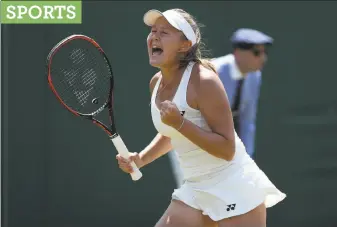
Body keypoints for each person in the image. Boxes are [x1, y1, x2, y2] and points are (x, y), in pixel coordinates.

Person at [116, 8, 286, 227]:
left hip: (234, 187)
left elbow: (227, 149)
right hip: (195, 190)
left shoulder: (204, 81)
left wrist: (180, 123)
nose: (154, 37)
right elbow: (171, 134)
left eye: (165, 32)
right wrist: (141, 159)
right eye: (153, 31)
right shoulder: (155, 83)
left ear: (185, 45)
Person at [211, 28, 273, 158]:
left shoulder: (255, 76)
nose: (263, 58)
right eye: (257, 53)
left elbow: (247, 120)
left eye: (264, 53)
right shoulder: (212, 73)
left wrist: (247, 156)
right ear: (238, 53)